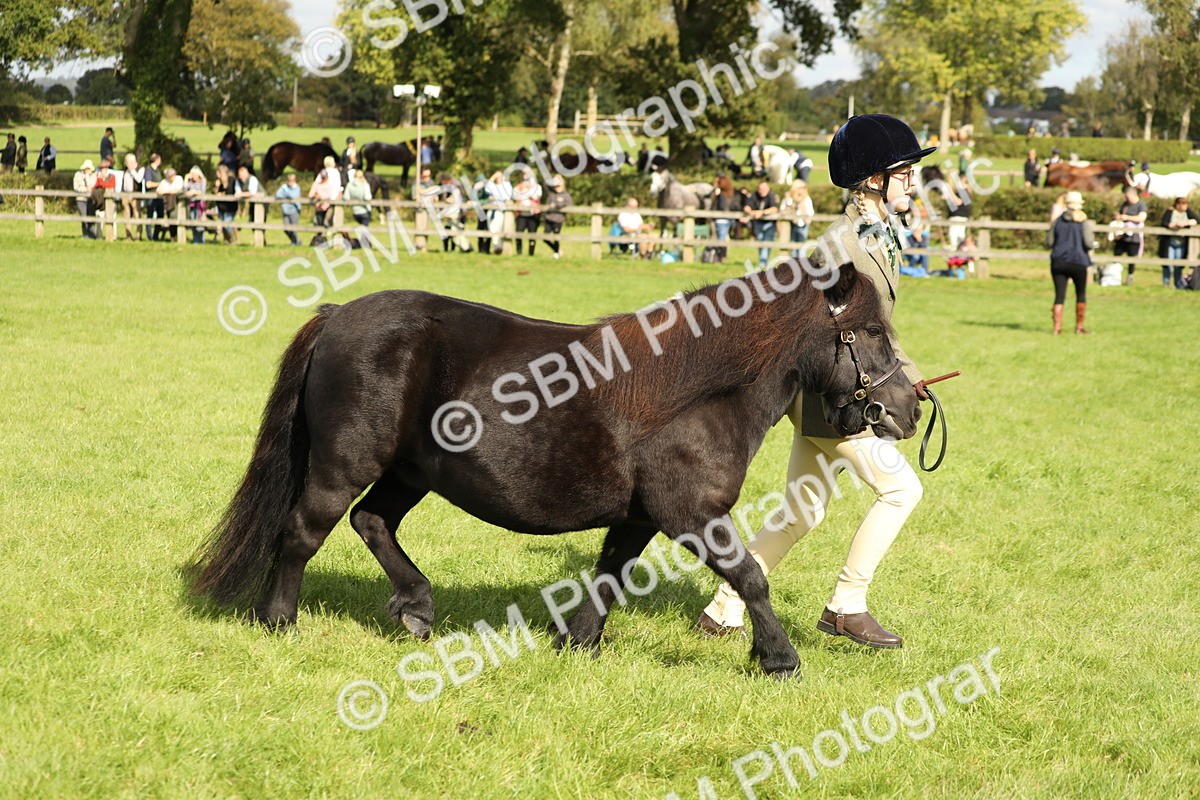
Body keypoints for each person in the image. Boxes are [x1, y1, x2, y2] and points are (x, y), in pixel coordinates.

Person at [697, 113, 933, 648]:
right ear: (873, 179)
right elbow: (822, 329)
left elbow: (874, 327)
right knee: (901, 491)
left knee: (802, 510)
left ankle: (724, 608)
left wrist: (907, 377)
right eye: (904, 172)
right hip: (838, 397)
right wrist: (884, 382)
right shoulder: (839, 245)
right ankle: (847, 604)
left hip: (836, 393)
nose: (913, 181)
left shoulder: (879, 234)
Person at [1046, 191, 1095, 335]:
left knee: (1059, 295)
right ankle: (1079, 327)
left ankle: (1057, 328)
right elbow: (1089, 243)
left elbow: (1049, 242)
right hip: (1078, 262)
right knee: (1081, 294)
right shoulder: (1083, 222)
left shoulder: (1057, 221)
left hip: (1058, 262)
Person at [1157, 197, 1199, 289]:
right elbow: (1164, 222)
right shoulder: (1170, 212)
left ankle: (1178, 284)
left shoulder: (1187, 212)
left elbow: (1197, 220)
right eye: (1182, 204)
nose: (1184, 206)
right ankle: (1166, 283)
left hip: (1181, 243)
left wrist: (1186, 223)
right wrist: (1173, 225)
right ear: (1177, 205)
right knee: (1168, 263)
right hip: (1170, 242)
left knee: (1178, 265)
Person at [1111, 185, 1147, 285]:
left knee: (1132, 257)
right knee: (1116, 254)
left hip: (1134, 236)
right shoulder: (1125, 204)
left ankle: (1130, 277)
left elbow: (1141, 218)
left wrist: (1126, 217)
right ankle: (1114, 276)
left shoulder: (1141, 205)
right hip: (1122, 234)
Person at [742, 180, 779, 267]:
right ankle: (763, 262)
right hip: (758, 224)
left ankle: (762, 264)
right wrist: (752, 212)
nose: (761, 191)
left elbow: (774, 208)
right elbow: (746, 207)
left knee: (767, 242)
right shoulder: (754, 195)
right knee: (760, 242)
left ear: (768, 189)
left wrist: (761, 212)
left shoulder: (771, 195)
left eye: (764, 189)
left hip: (769, 224)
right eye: (760, 189)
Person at [779, 179, 813, 260]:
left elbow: (810, 212)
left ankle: (801, 267)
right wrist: (790, 202)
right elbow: (783, 210)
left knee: (802, 248)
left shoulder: (806, 199)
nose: (802, 190)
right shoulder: (788, 198)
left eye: (803, 188)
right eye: (800, 187)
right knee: (793, 248)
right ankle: (793, 267)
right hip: (791, 225)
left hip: (803, 224)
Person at [541, 174, 571, 259]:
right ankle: (557, 250)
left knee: (556, 237)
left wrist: (558, 205)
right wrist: (553, 181)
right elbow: (545, 184)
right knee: (545, 238)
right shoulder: (551, 193)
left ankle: (556, 254)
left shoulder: (565, 194)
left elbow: (569, 204)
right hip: (549, 218)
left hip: (558, 219)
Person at [482, 171, 512, 255]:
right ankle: (496, 247)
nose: (498, 178)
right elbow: (487, 188)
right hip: (491, 210)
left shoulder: (506, 185)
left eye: (500, 177)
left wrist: (496, 197)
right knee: (492, 229)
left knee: (499, 229)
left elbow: (506, 196)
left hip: (499, 211)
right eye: (497, 177)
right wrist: (493, 177)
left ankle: (499, 247)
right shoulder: (492, 185)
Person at [512, 173, 541, 255]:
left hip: (533, 215)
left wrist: (526, 191)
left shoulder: (537, 187)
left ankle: (531, 253)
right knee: (519, 234)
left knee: (532, 235)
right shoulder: (518, 187)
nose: (526, 182)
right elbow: (515, 196)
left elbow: (537, 196)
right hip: (521, 215)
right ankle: (519, 252)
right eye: (524, 180)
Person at [710, 175, 735, 263]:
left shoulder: (721, 195)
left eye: (717, 182)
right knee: (723, 238)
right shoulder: (729, 194)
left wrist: (716, 196)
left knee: (721, 239)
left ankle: (720, 257)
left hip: (720, 219)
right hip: (727, 219)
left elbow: (720, 207)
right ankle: (721, 257)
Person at [213, 164, 239, 244]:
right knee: (223, 224)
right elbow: (215, 193)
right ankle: (226, 240)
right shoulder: (218, 182)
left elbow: (230, 192)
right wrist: (217, 187)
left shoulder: (231, 180)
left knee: (227, 223)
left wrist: (222, 193)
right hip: (221, 207)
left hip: (230, 207)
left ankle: (232, 240)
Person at [120, 153, 144, 241]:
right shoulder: (125, 170)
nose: (127, 164)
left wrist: (132, 170)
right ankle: (128, 235)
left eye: (128, 162)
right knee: (126, 215)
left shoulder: (140, 169)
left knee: (137, 215)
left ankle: (138, 235)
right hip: (125, 194)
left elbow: (139, 179)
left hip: (135, 195)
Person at [156, 167, 183, 242]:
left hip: (176, 203)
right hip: (168, 204)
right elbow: (158, 190)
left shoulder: (179, 179)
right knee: (170, 218)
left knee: (174, 218)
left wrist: (166, 191)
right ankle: (172, 237)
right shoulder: (164, 181)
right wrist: (169, 191)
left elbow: (177, 190)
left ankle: (175, 236)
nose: (170, 178)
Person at [73, 160, 98, 239]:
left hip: (91, 199)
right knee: (84, 218)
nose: (87, 170)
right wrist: (85, 190)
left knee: (91, 217)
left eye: (89, 168)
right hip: (81, 199)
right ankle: (85, 235)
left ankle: (92, 235)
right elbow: (76, 187)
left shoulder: (94, 175)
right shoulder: (78, 175)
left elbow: (92, 186)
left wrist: (87, 177)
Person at [275, 173, 302, 245]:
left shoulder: (297, 188)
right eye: (289, 180)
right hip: (285, 210)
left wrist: (286, 194)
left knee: (294, 228)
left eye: (292, 181)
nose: (290, 182)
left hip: (294, 210)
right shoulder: (284, 187)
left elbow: (294, 196)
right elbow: (278, 195)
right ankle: (296, 240)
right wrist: (287, 195)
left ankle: (294, 242)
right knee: (286, 228)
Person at [183, 166, 208, 244]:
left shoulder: (202, 181)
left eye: (194, 174)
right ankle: (196, 239)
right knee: (193, 222)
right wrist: (186, 179)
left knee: (200, 223)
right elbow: (184, 190)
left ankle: (201, 240)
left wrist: (194, 192)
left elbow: (202, 191)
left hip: (200, 205)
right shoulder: (190, 182)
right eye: (192, 174)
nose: (193, 176)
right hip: (192, 205)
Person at [142, 153, 163, 240]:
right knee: (149, 216)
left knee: (160, 215)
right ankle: (150, 236)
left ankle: (156, 236)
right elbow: (148, 184)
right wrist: (160, 184)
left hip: (159, 197)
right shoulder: (148, 169)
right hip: (151, 197)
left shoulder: (158, 171)